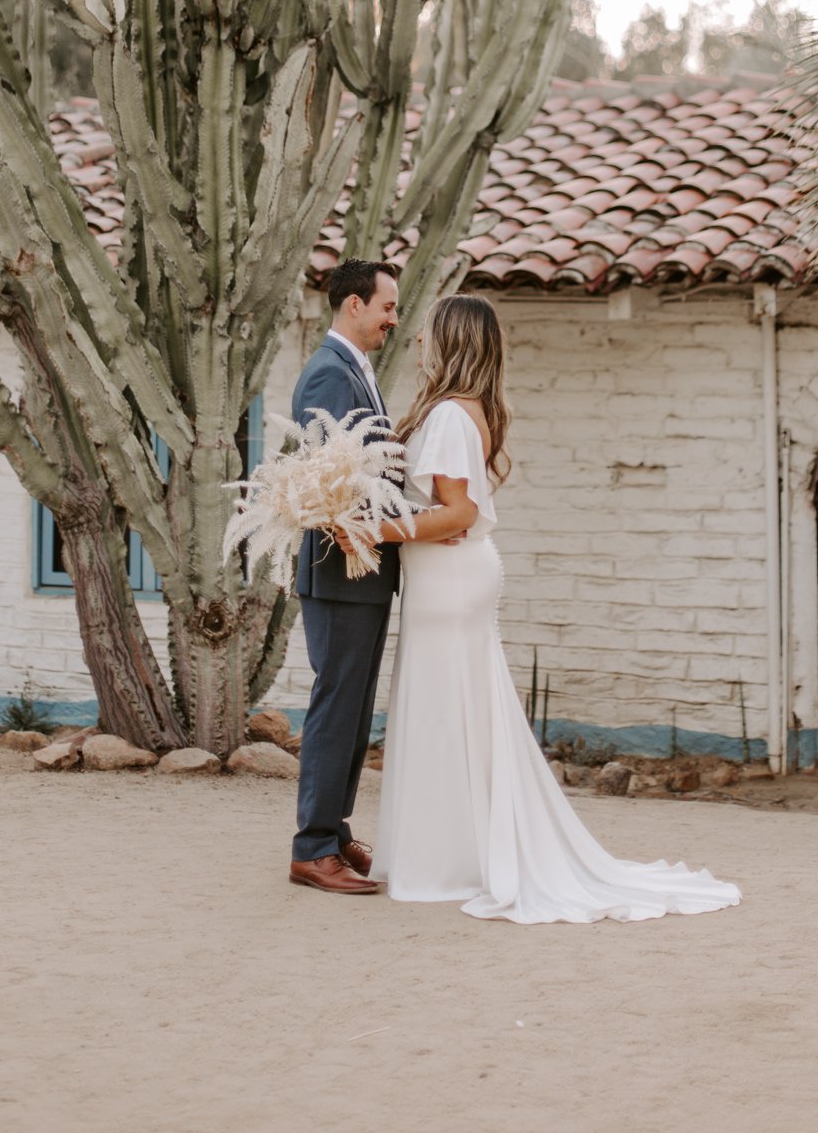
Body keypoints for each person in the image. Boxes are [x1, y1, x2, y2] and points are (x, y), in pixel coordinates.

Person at [367, 293, 743, 925]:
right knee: (450, 710)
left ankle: (446, 863)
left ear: (452, 340)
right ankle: (446, 854)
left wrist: (377, 530)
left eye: (430, 331)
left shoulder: (453, 418)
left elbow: (456, 513)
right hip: (447, 579)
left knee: (447, 709)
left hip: (451, 583)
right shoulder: (461, 411)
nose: (420, 341)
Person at [286, 259, 469, 896]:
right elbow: (332, 478)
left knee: (355, 706)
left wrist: (417, 514)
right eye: (387, 307)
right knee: (337, 706)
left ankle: (334, 833)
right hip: (342, 567)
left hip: (362, 567)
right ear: (354, 305)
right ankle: (311, 849)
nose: (395, 319)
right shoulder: (330, 374)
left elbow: (369, 474)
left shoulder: (352, 370)